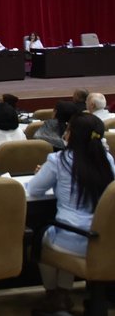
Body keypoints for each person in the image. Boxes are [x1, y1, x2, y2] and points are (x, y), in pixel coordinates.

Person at [28, 113, 115, 313]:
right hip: (106, 239)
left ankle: (54, 295)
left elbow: (34, 190)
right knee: (60, 233)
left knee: (41, 237)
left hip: (76, 237)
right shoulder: (107, 159)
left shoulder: (59, 160)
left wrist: (43, 173)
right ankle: (63, 293)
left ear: (70, 134)